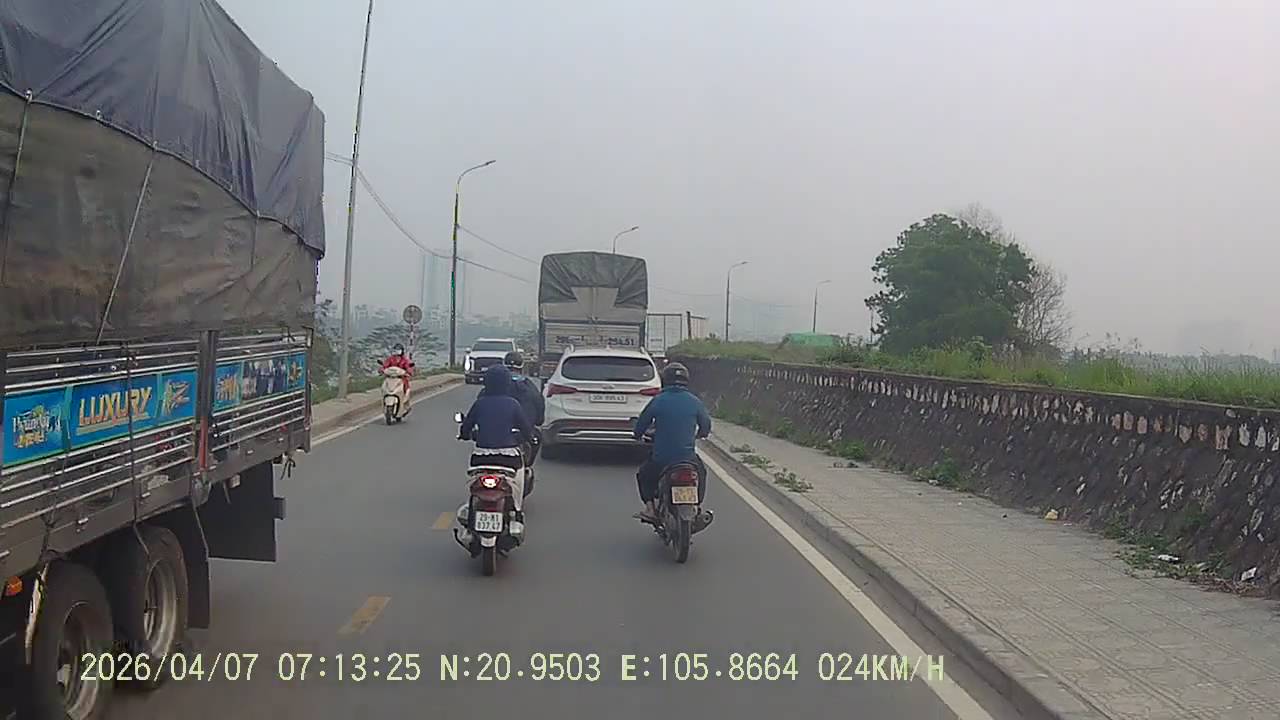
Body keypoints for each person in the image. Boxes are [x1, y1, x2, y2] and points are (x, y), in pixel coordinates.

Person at [632, 362, 712, 521]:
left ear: (665, 380)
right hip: (687, 458)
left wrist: (637, 434)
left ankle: (650, 509)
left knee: (644, 475)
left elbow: (642, 424)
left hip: (661, 458)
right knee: (701, 473)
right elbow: (706, 425)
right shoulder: (694, 401)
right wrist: (701, 434)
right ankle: (696, 507)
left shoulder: (658, 400)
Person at [459, 364, 535, 519]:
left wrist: (465, 435)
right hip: (508, 459)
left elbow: (465, 428)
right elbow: (526, 429)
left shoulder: (480, 403)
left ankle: (471, 506)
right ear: (507, 383)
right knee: (519, 476)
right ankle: (517, 509)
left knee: (473, 480)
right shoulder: (513, 404)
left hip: (481, 458)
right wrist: (530, 438)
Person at [479, 351, 545, 465]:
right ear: (522, 367)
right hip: (520, 435)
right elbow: (539, 415)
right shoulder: (530, 387)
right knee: (536, 437)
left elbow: (477, 411)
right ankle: (527, 466)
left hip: (489, 438)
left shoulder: (489, 388)